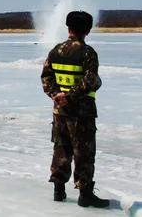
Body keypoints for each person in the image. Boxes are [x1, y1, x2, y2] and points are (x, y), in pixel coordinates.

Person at [40, 11, 110, 208]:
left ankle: (58, 190)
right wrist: (69, 96)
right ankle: (85, 193)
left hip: (59, 111)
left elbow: (46, 77)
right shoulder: (88, 53)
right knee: (83, 152)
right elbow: (89, 81)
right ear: (87, 30)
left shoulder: (55, 51)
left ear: (68, 27)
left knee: (61, 148)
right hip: (82, 112)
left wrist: (56, 95)